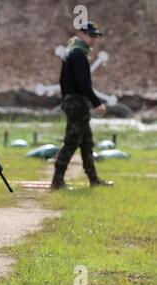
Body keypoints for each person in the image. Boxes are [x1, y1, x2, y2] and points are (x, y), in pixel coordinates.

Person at [51, 21, 114, 190]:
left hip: (74, 102)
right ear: (81, 34)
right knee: (72, 141)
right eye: (91, 35)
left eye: (95, 36)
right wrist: (97, 103)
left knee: (87, 142)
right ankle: (57, 181)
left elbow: (64, 82)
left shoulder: (72, 51)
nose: (94, 40)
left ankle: (93, 179)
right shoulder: (78, 54)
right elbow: (83, 84)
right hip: (77, 103)